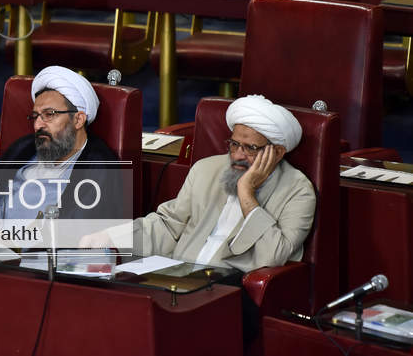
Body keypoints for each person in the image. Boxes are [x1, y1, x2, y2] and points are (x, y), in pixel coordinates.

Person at [82, 94, 315, 273]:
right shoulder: (206, 169)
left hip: (230, 288)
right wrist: (113, 237)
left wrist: (247, 193)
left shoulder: (297, 191)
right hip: (177, 275)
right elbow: (168, 225)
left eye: (250, 148)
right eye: (234, 144)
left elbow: (274, 255)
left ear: (278, 152)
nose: (237, 155)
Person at [0, 65, 124, 220]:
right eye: (35, 116)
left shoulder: (97, 167)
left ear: (78, 120)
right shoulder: (24, 148)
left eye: (49, 114)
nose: (37, 125)